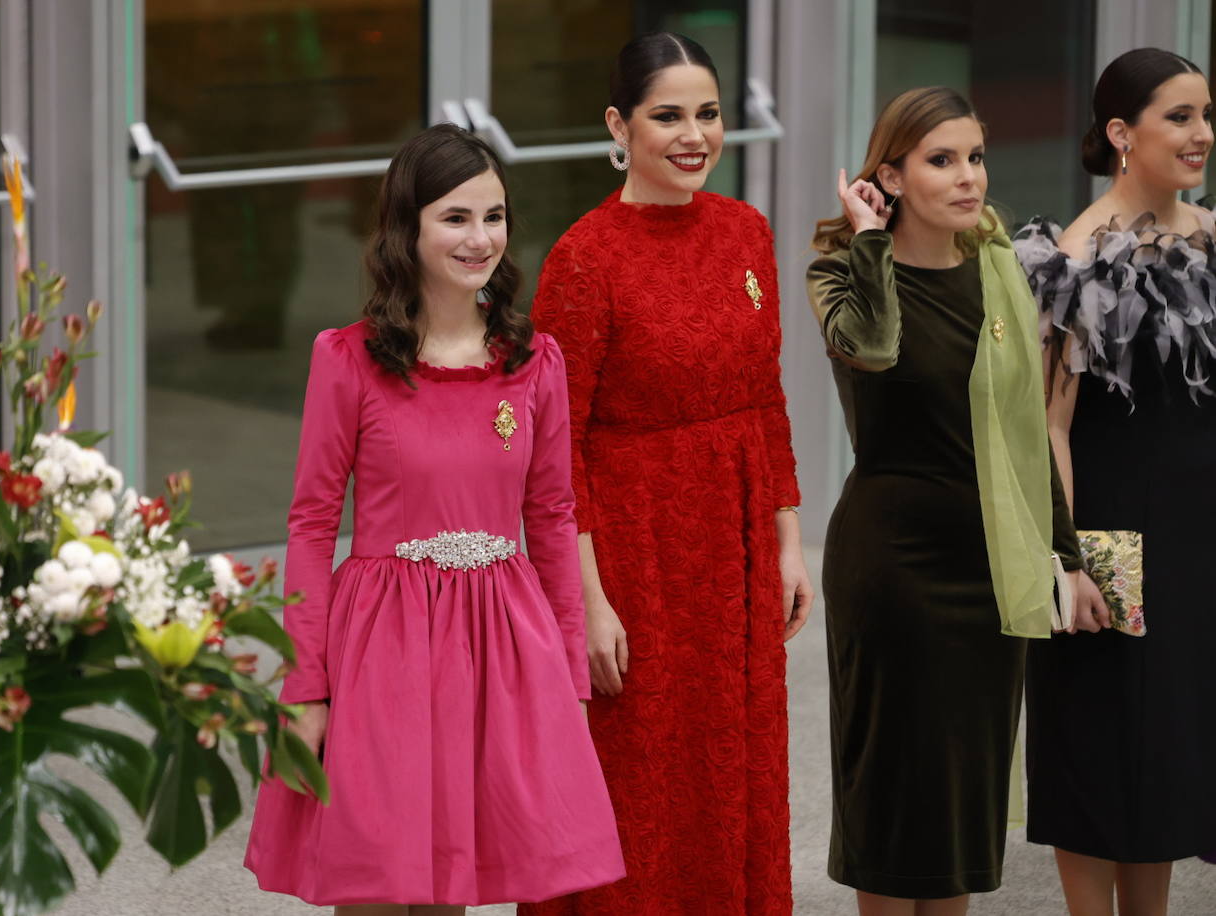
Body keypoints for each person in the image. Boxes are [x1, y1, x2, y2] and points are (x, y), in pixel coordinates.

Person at [243, 123, 625, 915]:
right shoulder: (347, 359)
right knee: (377, 882)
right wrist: (305, 687)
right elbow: (313, 524)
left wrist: (564, 676)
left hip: (496, 644)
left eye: (494, 216)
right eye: (455, 217)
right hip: (384, 646)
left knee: (453, 887)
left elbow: (552, 517)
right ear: (407, 228)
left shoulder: (534, 363)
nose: (479, 238)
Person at [519, 32, 812, 916]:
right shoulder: (584, 256)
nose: (695, 135)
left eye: (709, 114)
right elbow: (552, 448)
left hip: (735, 545)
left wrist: (788, 544)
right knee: (642, 767)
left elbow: (766, 399)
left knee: (736, 759)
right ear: (619, 124)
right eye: (668, 116)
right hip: (636, 553)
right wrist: (588, 599)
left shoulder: (747, 232)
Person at [807, 86, 1083, 916]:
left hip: (986, 570)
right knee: (894, 811)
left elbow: (1025, 433)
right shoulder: (842, 271)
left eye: (975, 157)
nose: (969, 178)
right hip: (893, 572)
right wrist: (869, 243)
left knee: (961, 813)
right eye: (941, 160)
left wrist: (1065, 556)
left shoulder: (995, 268)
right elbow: (876, 351)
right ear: (887, 174)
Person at [1014, 47, 1216, 916]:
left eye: (1208, 115)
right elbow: (1049, 427)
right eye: (1181, 116)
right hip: (1112, 531)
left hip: (1199, 533)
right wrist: (1072, 562)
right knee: (1099, 741)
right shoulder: (1078, 257)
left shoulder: (1212, 239)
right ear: (1121, 134)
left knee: (1169, 743)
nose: (1203, 133)